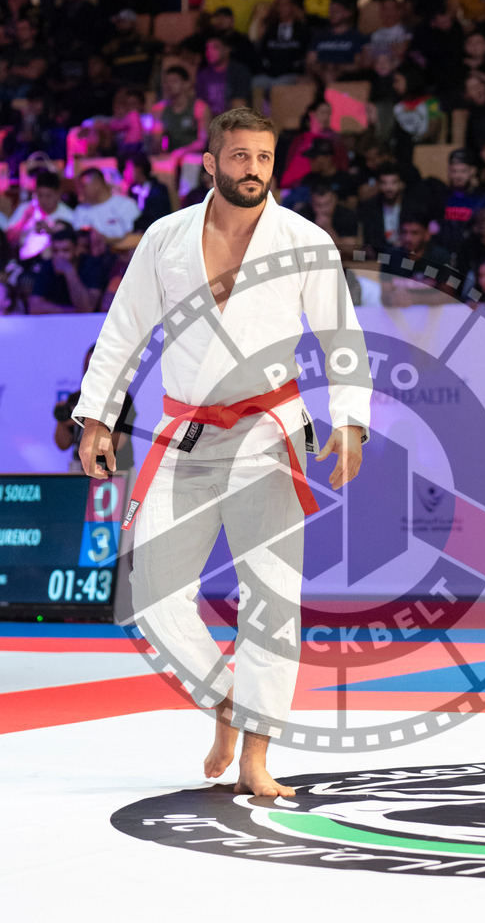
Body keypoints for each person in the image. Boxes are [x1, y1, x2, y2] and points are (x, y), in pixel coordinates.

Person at [72, 107, 371, 797]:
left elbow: (340, 335)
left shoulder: (305, 240)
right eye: (238, 157)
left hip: (269, 432)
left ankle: (257, 756)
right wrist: (97, 418)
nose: (252, 169)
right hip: (186, 432)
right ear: (211, 163)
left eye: (263, 158)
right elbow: (123, 331)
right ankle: (226, 701)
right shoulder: (166, 237)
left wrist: (350, 420)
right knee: (149, 593)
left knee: (271, 597)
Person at [54, 343, 136, 473]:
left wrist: (88, 422)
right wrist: (62, 422)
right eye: (91, 367)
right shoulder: (76, 398)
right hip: (81, 470)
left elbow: (119, 442)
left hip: (114, 471)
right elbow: (63, 444)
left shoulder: (122, 399)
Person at [28, 225, 109, 314]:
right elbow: (34, 307)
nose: (60, 255)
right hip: (62, 319)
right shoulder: (48, 265)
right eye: (55, 251)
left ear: (77, 250)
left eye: (66, 250)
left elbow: (87, 307)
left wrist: (69, 271)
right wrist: (72, 311)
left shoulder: (92, 265)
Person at [6, 169, 75, 261]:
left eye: (48, 196)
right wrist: (24, 220)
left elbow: (71, 246)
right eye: (40, 195)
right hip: (23, 261)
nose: (44, 200)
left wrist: (50, 231)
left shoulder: (68, 215)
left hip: (52, 262)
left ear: (58, 194)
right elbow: (9, 238)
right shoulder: (26, 209)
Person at [151, 65, 211, 171]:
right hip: (171, 156)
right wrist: (157, 137)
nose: (169, 85)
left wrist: (182, 152)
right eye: (166, 82)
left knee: (190, 161)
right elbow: (157, 147)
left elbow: (202, 142)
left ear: (186, 84)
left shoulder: (199, 107)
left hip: (195, 156)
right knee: (156, 162)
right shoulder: (160, 109)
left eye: (174, 81)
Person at [437, 148, 485, 256]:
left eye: (463, 171)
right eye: (454, 171)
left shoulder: (482, 197)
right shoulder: (440, 196)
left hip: (472, 254)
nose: (458, 176)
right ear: (449, 171)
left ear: (473, 171)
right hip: (444, 254)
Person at [306, 0, 368, 85]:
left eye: (336, 11)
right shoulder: (319, 36)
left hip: (345, 76)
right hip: (319, 75)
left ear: (348, 13)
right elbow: (310, 62)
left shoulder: (357, 37)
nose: (332, 14)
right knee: (301, 82)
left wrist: (335, 68)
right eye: (330, 11)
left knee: (330, 77)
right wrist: (322, 71)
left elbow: (358, 65)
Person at [73, 167, 140, 241]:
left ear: (97, 184)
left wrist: (104, 240)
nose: (80, 191)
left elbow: (135, 236)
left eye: (84, 186)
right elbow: (79, 239)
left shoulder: (126, 205)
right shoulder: (81, 210)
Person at [195, 35, 252, 118]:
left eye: (215, 47)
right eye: (207, 48)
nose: (210, 51)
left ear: (227, 49)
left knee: (238, 103)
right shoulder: (203, 73)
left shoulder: (239, 71)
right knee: (200, 106)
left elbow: (240, 98)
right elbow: (200, 99)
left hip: (231, 116)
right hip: (210, 117)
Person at [357, 161, 408, 251]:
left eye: (394, 183)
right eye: (384, 183)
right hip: (379, 254)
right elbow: (369, 239)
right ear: (378, 185)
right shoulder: (369, 208)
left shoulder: (411, 206)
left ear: (401, 184)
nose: (389, 188)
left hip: (407, 252)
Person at [123, 154, 172, 232]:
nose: (125, 172)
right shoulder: (132, 190)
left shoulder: (158, 190)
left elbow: (160, 216)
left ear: (139, 169)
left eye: (128, 168)